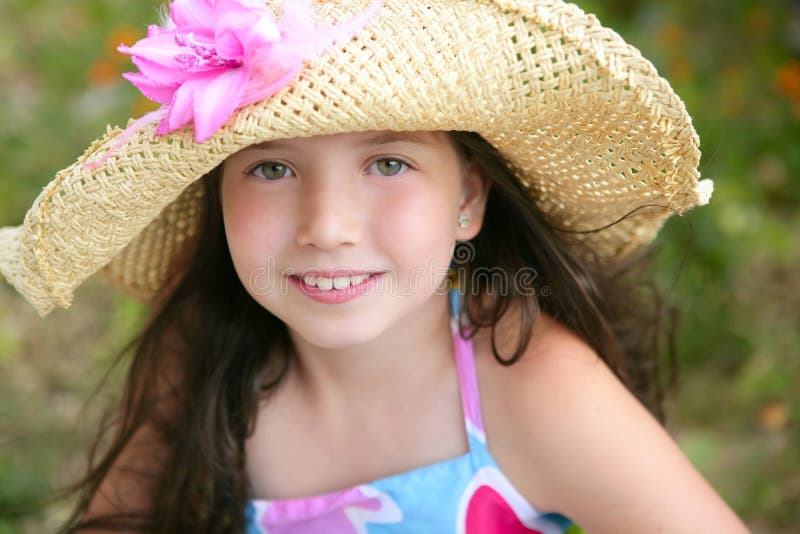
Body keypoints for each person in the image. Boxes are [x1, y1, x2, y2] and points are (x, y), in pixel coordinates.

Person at [0, 0, 749, 532]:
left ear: (468, 199)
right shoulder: (202, 354)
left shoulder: (534, 388)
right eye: (270, 170)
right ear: (215, 200)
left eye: (388, 162)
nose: (327, 227)